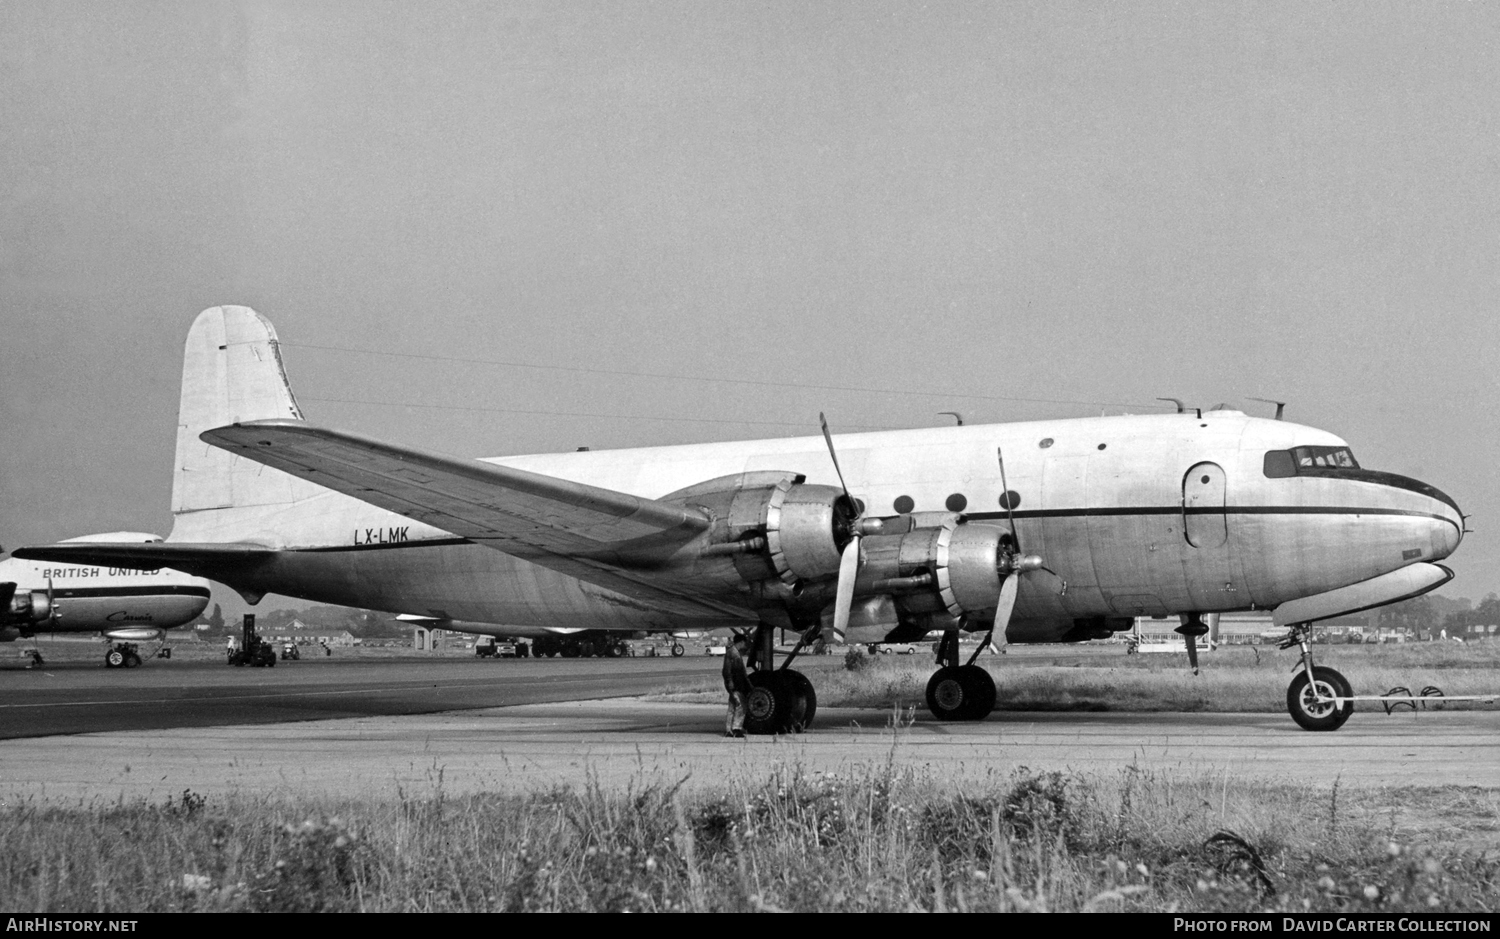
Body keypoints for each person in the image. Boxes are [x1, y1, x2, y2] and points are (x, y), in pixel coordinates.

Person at [722, 633, 752, 738]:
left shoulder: (734, 652)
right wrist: (730, 682)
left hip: (735, 683)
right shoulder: (733, 653)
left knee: (732, 706)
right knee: (740, 706)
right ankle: (736, 728)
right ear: (741, 642)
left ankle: (728, 730)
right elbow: (727, 670)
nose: (745, 645)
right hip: (736, 684)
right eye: (744, 643)